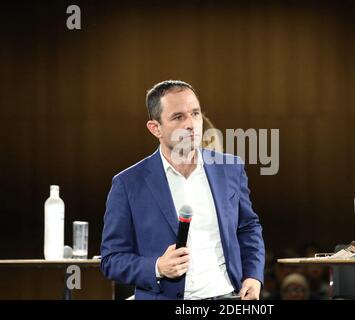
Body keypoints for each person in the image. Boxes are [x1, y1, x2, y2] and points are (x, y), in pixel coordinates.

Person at [100, 80, 265, 300]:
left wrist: (253, 276)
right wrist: (157, 266)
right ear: (155, 128)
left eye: (195, 113)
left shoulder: (230, 168)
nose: (191, 124)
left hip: (227, 295)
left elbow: (248, 227)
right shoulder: (128, 184)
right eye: (178, 117)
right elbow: (112, 259)